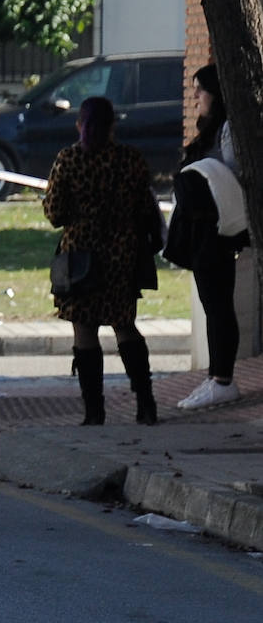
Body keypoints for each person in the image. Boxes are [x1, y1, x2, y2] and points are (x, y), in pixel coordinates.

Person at [42, 97, 161, 426]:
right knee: (124, 323)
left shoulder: (69, 159)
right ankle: (145, 403)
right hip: (122, 251)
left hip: (80, 255)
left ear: (79, 125)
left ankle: (94, 411)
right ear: (113, 126)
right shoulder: (130, 159)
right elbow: (145, 207)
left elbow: (54, 213)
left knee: (84, 328)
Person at [168, 64, 251, 410]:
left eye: (200, 90)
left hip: (218, 229)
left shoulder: (228, 130)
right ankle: (217, 376)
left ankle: (223, 380)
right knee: (211, 304)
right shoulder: (212, 130)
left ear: (216, 93)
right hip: (203, 229)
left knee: (218, 305)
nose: (195, 98)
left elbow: (234, 175)